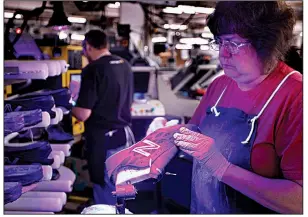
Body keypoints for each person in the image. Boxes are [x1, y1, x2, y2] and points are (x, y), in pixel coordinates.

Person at [152, 1, 302, 214]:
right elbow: (195, 130)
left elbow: (300, 201)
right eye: (220, 42)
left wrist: (224, 169)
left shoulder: (296, 97)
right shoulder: (219, 85)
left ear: (265, 43)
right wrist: (170, 134)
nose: (223, 54)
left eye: (233, 44)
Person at [72, 30, 135, 205]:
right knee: (120, 189)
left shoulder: (93, 69)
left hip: (103, 142)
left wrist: (68, 105)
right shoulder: (125, 65)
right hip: (124, 138)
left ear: (88, 46)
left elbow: (83, 114)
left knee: (104, 190)